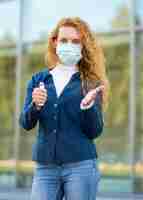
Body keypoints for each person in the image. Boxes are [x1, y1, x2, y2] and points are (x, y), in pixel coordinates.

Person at [19, 17, 110, 200]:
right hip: (45, 168)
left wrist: (88, 107)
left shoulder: (91, 83)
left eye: (76, 41)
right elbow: (26, 123)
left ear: (83, 45)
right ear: (55, 42)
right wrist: (35, 106)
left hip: (81, 166)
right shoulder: (39, 80)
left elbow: (95, 131)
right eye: (64, 40)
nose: (69, 45)